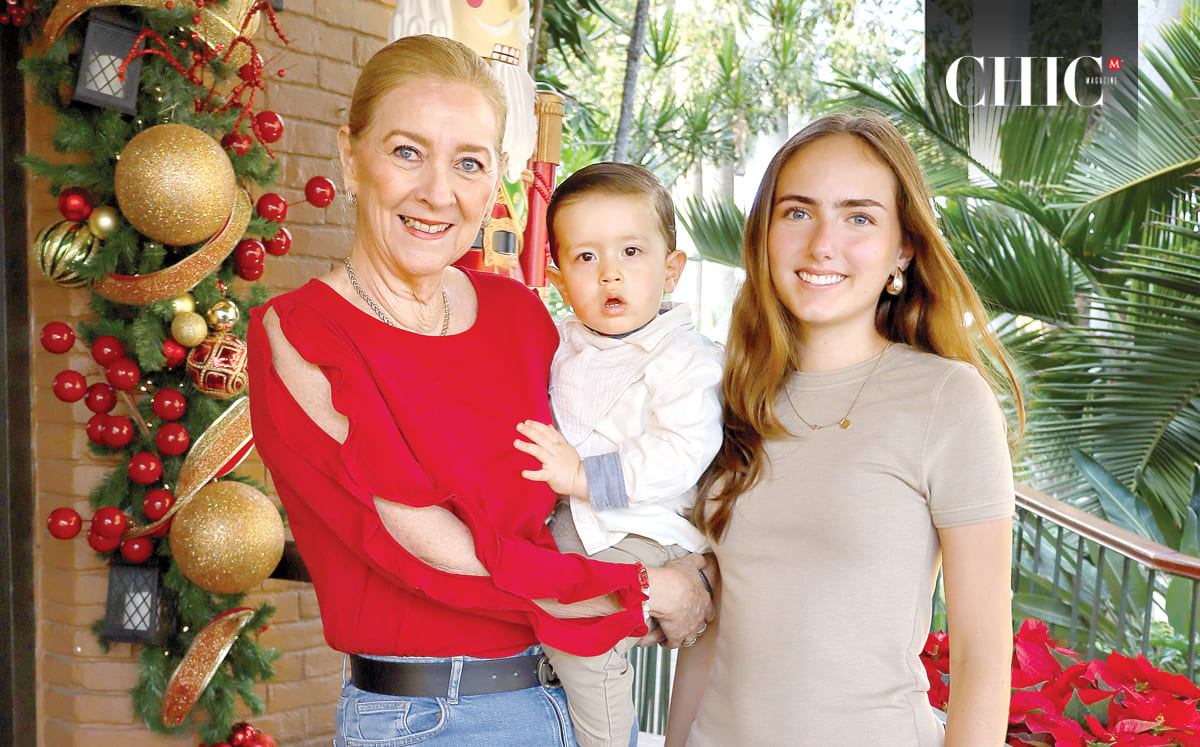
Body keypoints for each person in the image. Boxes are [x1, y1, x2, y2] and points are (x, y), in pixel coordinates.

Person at [245, 35, 711, 747]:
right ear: (349, 157)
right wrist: (639, 589)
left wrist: (697, 553)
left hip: (567, 694)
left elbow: (617, 445)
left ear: (496, 177)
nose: (438, 192)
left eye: (468, 162)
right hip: (435, 718)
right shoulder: (303, 334)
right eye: (407, 152)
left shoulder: (519, 314)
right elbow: (438, 552)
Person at [665, 112, 1021, 747]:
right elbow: (711, 633)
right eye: (798, 212)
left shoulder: (947, 399)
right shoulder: (721, 393)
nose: (822, 243)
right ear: (765, 236)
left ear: (902, 250)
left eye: (859, 217)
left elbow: (983, 656)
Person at [513, 163, 723, 747]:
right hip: (577, 522)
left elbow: (682, 452)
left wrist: (581, 476)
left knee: (583, 634)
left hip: (644, 528)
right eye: (586, 258)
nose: (610, 274)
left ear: (672, 269)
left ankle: (608, 739)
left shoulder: (685, 358)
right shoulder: (563, 344)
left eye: (632, 251)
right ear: (558, 279)